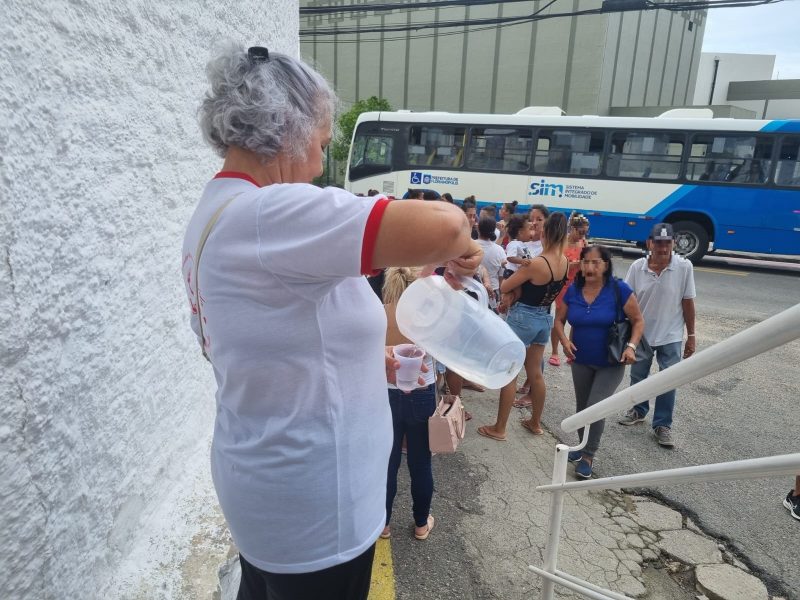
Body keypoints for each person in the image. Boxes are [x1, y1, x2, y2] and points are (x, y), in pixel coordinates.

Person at [184, 43, 482, 600]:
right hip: (317, 510)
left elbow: (274, 343)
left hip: (268, 487)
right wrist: (463, 242)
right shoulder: (273, 215)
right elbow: (444, 225)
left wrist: (366, 360)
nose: (321, 164)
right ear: (289, 131)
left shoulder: (215, 213)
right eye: (321, 144)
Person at [554, 245, 644, 478]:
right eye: (585, 262)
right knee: (582, 406)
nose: (590, 267)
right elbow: (559, 319)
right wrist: (564, 340)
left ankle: (589, 455)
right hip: (581, 359)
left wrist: (632, 346)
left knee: (595, 407)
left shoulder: (619, 290)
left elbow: (638, 320)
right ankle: (581, 445)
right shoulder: (574, 290)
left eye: (596, 262)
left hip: (611, 362)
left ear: (606, 265)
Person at [477, 213, 569, 441]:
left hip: (523, 318)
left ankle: (500, 428)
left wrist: (521, 272)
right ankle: (535, 422)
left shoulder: (538, 263)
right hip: (545, 317)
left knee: (510, 373)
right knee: (536, 372)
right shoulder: (565, 261)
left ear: (546, 233)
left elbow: (507, 284)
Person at [619, 223, 696, 448]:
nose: (663, 248)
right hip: (642, 334)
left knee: (668, 380)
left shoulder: (684, 267)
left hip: (671, 333)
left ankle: (663, 424)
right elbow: (626, 300)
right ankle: (639, 410)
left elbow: (688, 302)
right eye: (658, 243)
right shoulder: (637, 267)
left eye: (667, 243)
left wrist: (691, 335)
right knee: (638, 376)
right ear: (650, 243)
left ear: (673, 243)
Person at [381, 268, 438, 541]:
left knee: (387, 461)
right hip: (422, 390)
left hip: (386, 392)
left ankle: (383, 524)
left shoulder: (381, 309)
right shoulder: (431, 313)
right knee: (420, 461)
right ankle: (420, 523)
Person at [548, 212, 589, 366]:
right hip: (563, 284)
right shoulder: (561, 243)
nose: (582, 235)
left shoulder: (583, 243)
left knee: (576, 319)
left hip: (578, 284)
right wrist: (576, 263)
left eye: (585, 232)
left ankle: (571, 350)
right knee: (560, 318)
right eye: (580, 232)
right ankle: (554, 351)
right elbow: (557, 264)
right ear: (572, 228)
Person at [476, 217, 506, 309]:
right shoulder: (499, 250)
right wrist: (502, 295)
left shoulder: (471, 245)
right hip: (493, 292)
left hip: (473, 289)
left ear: (478, 228)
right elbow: (501, 276)